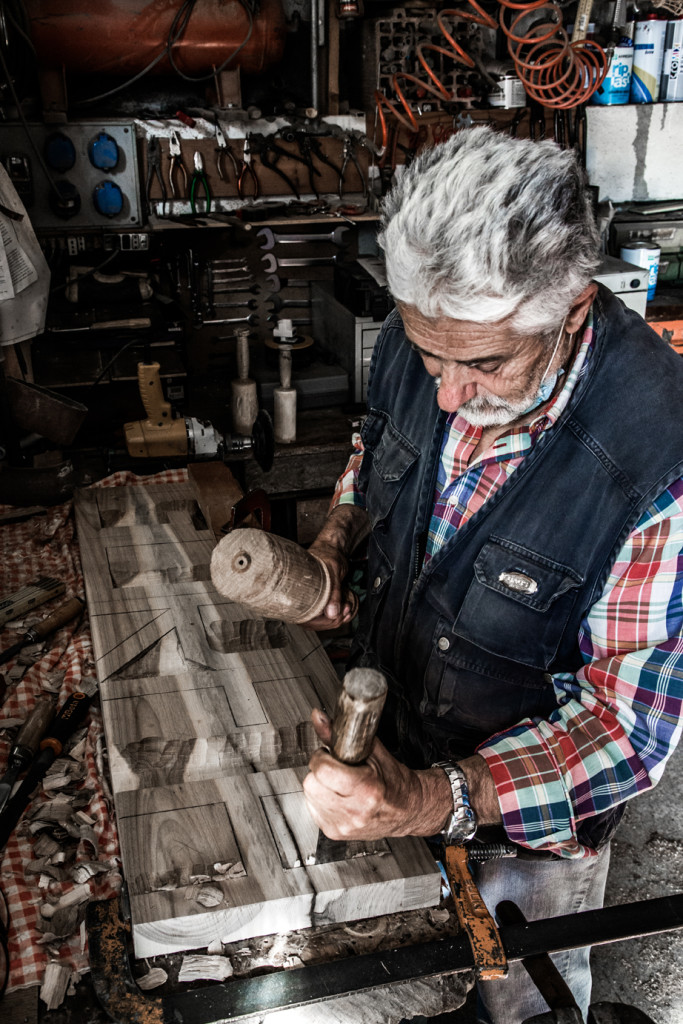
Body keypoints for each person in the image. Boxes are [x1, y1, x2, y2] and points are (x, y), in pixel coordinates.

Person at [301, 126, 683, 1024]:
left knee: (515, 1008)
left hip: (524, 835)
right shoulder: (425, 326)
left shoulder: (656, 454)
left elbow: (623, 730)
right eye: (427, 353)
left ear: (571, 304)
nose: (444, 391)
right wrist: (337, 533)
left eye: (481, 364)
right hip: (391, 740)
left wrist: (436, 798)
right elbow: (376, 446)